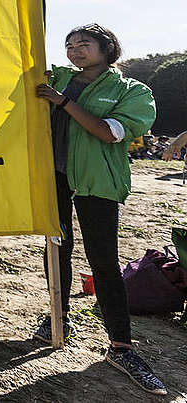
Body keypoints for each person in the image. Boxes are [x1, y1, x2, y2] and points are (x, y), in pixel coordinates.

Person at [33, 24, 165, 395]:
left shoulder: (132, 91)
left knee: (103, 260)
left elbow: (110, 132)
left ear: (108, 49)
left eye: (84, 45)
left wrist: (63, 102)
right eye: (70, 45)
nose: (75, 51)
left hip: (98, 183)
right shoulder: (58, 76)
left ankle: (121, 346)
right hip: (54, 178)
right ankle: (58, 317)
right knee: (57, 248)